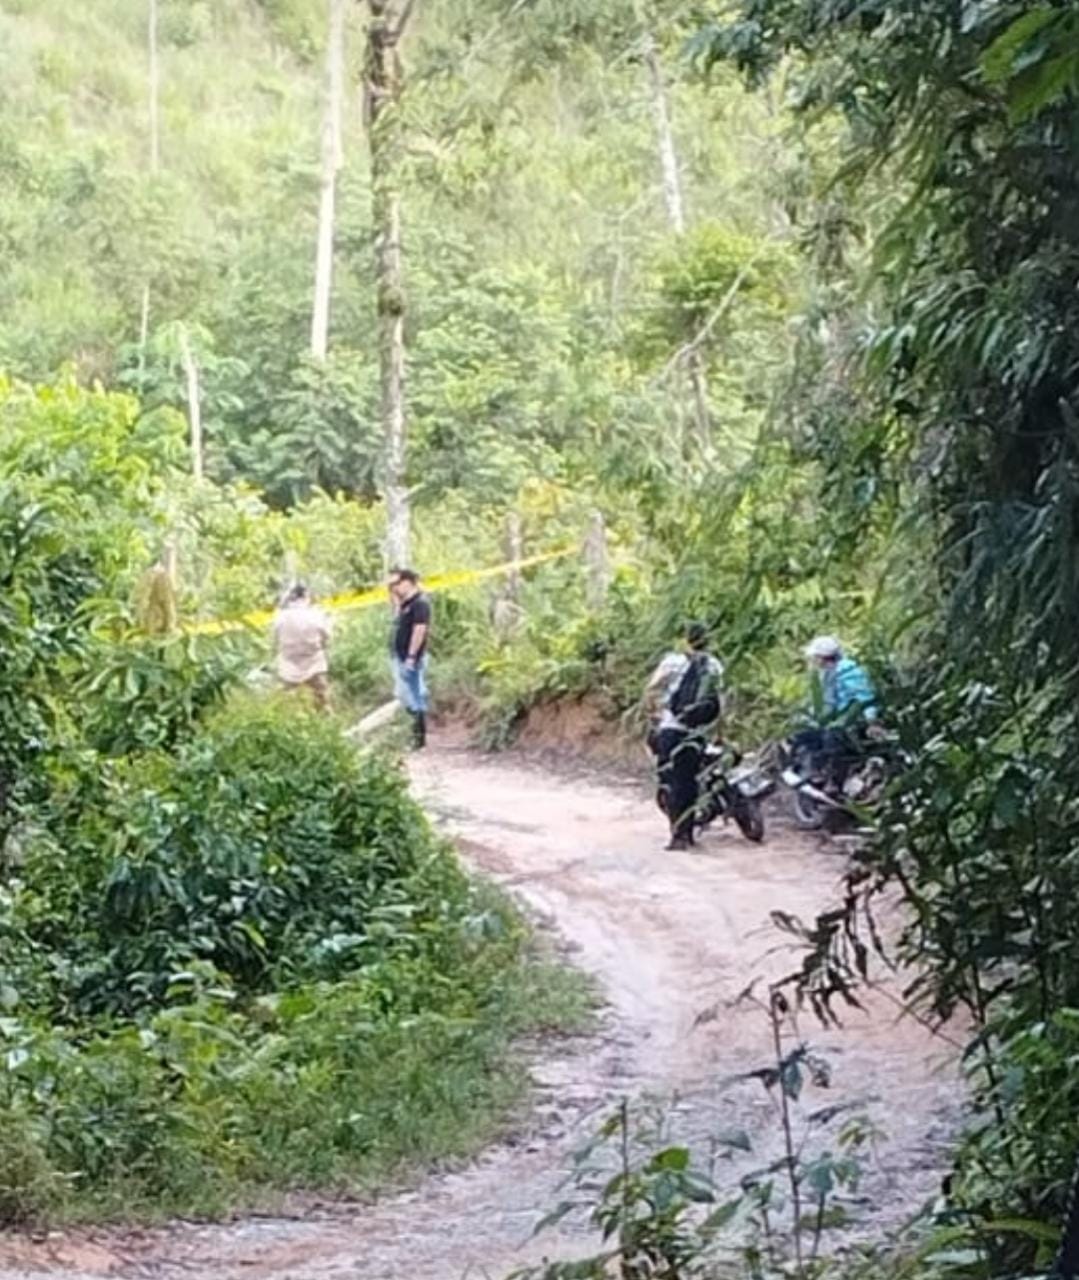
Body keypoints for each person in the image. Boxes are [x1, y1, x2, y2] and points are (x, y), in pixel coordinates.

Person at [644, 622, 724, 851]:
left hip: (672, 730)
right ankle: (688, 833)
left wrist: (655, 717)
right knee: (689, 781)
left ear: (686, 640)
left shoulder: (672, 662)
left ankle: (677, 835)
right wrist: (719, 733)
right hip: (697, 733)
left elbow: (651, 691)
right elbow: (720, 702)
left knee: (670, 781)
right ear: (708, 640)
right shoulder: (714, 665)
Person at [795, 635, 879, 793]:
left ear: (822, 658)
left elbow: (862, 697)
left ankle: (829, 779)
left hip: (848, 721)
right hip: (843, 718)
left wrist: (871, 720)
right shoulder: (836, 670)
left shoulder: (841, 672)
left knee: (823, 737)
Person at [388, 567, 431, 749]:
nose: (394, 588)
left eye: (396, 584)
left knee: (415, 696)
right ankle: (413, 736)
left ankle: (418, 739)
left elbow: (419, 630)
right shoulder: (406, 604)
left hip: (410, 657)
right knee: (406, 696)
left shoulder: (420, 603)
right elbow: (396, 617)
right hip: (401, 655)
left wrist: (412, 657)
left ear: (407, 582)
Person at [272, 583, 332, 711]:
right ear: (306, 596)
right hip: (314, 661)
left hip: (288, 663)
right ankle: (327, 721)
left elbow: (275, 638)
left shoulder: (280, 617)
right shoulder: (315, 615)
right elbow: (326, 635)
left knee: (287, 701)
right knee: (321, 698)